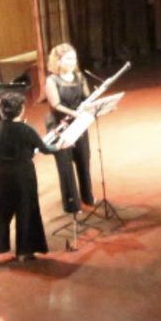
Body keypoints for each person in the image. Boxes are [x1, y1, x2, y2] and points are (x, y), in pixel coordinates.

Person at [0, 92, 59, 264]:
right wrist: (60, 146)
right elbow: (46, 149)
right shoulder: (27, 130)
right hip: (23, 175)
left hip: (2, 175)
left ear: (2, 111)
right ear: (21, 110)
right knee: (26, 211)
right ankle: (23, 253)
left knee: (1, 214)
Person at [44, 43, 95, 215]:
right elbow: (56, 104)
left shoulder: (80, 77)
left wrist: (95, 105)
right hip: (60, 125)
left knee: (83, 159)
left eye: (74, 58)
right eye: (68, 58)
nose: (73, 62)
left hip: (79, 123)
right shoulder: (52, 80)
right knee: (65, 165)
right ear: (58, 61)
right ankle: (72, 203)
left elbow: (87, 98)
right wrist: (75, 113)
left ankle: (88, 196)